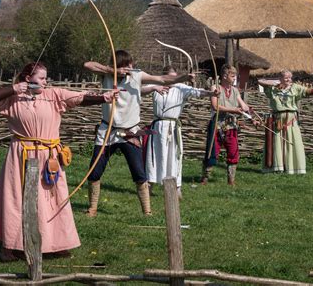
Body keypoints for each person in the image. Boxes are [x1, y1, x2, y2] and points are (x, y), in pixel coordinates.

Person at [0, 62, 120, 262]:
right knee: (17, 200)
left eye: (46, 78)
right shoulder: (12, 98)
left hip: (49, 156)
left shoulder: (53, 94)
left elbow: (79, 98)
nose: (46, 82)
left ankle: (56, 243)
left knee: (52, 199)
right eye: (42, 78)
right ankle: (10, 246)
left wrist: (104, 97)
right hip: (21, 155)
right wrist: (13, 89)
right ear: (28, 79)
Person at [83, 50, 194, 217]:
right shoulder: (106, 75)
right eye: (126, 64)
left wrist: (184, 78)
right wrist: (112, 71)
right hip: (108, 131)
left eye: (131, 64)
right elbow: (87, 65)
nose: (130, 67)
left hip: (130, 133)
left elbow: (163, 79)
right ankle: (92, 209)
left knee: (139, 174)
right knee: (95, 172)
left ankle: (147, 212)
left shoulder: (137, 75)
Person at [145, 65, 218, 199]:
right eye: (169, 77)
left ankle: (176, 188)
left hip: (172, 127)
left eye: (175, 77)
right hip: (158, 126)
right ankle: (150, 185)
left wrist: (211, 94)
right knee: (155, 156)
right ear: (163, 77)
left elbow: (198, 92)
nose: (173, 80)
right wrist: (154, 87)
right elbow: (140, 88)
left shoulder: (181, 87)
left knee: (174, 156)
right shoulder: (156, 86)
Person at [258, 69, 313, 174]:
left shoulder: (295, 88)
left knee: (294, 142)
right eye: (286, 77)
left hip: (291, 120)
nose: (289, 79)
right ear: (280, 78)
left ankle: (294, 168)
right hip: (278, 119)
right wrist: (276, 82)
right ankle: (277, 167)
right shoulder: (273, 89)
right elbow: (260, 81)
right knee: (277, 143)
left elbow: (307, 91)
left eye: (290, 77)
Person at [201, 64, 251, 186]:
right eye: (232, 76)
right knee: (212, 152)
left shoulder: (234, 90)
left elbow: (243, 105)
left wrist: (248, 111)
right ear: (224, 76)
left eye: (235, 76)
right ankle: (205, 179)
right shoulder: (215, 87)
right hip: (217, 125)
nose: (234, 78)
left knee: (233, 152)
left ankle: (231, 181)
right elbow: (215, 106)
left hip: (231, 126)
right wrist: (234, 110)